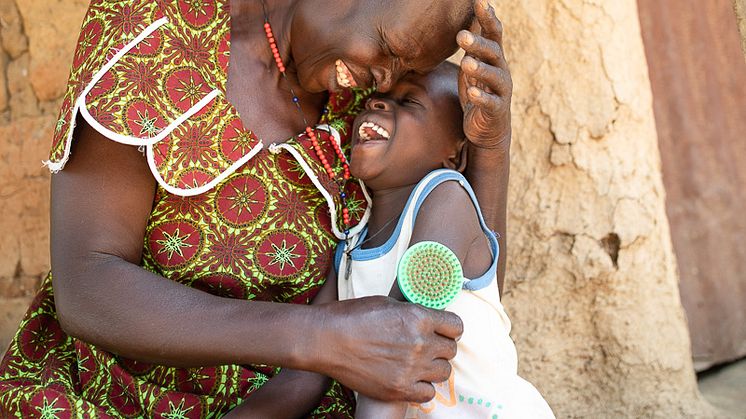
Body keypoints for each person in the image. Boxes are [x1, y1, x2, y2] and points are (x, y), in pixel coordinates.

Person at [0, 0, 513, 417]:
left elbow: (464, 307)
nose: (383, 82)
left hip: (309, 399)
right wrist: (320, 338)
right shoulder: (158, 30)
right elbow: (86, 286)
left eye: (406, 71)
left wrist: (490, 151)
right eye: (388, 49)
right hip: (118, 392)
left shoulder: (371, 101)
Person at [234, 62, 552, 418]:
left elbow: (399, 348)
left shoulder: (446, 200)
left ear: (454, 154)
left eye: (409, 102)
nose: (378, 106)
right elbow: (301, 381)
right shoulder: (351, 250)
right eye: (376, 99)